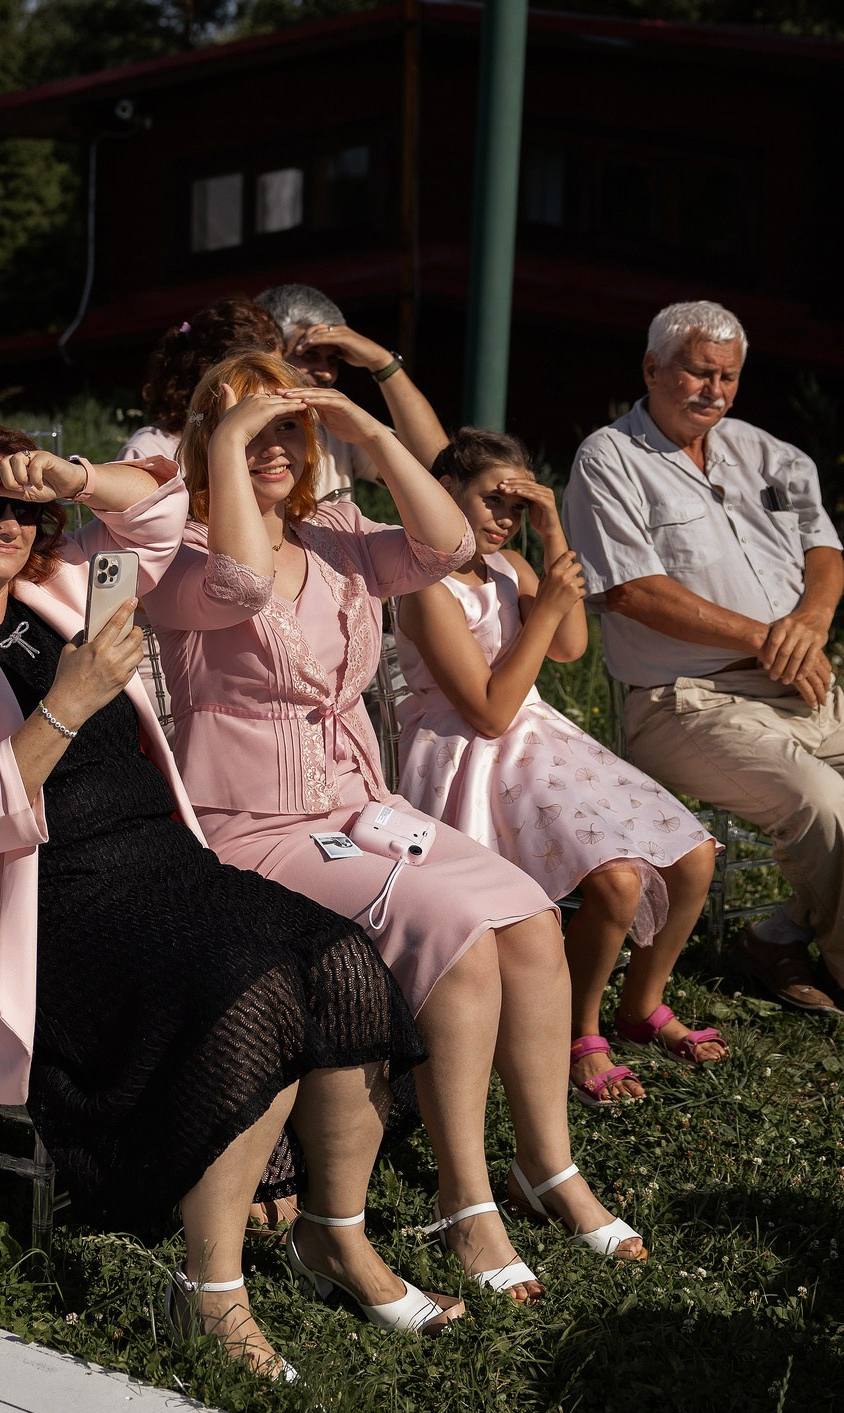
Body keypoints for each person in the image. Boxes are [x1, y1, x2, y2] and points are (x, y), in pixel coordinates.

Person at [0, 423, 449, 1381]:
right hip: (44, 903)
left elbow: (161, 510)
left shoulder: (60, 592)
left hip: (163, 863)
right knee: (252, 990)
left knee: (340, 959)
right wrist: (67, 705)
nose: (12, 521)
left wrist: (69, 476)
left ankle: (337, 1234)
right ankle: (209, 1294)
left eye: (26, 508)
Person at [149, 350, 649, 1308]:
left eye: (290, 431)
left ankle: (546, 1170)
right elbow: (245, 587)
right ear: (211, 441)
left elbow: (451, 543)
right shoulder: (183, 554)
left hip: (357, 806)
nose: (277, 447)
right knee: (457, 943)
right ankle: (466, 1210)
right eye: (252, 431)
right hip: (250, 828)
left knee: (531, 919)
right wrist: (233, 436)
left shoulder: (340, 532)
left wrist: (368, 430)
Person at [563, 301, 844, 1029]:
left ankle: (779, 935)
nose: (716, 391)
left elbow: (823, 552)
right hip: (683, 701)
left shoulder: (772, 453)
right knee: (824, 802)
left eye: (729, 376)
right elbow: (633, 590)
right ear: (652, 368)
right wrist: (769, 637)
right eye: (700, 372)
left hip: (801, 685)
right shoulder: (608, 458)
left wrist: (811, 623)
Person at [393, 428, 721, 1104]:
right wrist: (541, 618)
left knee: (694, 856)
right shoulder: (425, 585)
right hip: (468, 751)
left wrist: (552, 536)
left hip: (537, 737)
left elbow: (568, 645)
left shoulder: (512, 564)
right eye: (491, 500)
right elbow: (486, 709)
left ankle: (641, 1002)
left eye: (517, 507)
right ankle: (577, 1030)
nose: (501, 519)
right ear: (444, 490)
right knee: (617, 883)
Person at [254, 283, 451, 496]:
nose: (326, 373)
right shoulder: (231, 428)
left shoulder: (335, 426)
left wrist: (382, 363)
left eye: (333, 359)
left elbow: (437, 468)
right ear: (269, 351)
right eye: (310, 354)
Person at [115, 297, 281, 471]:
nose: (274, 388)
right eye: (260, 377)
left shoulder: (269, 443)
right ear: (211, 377)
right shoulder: (150, 453)